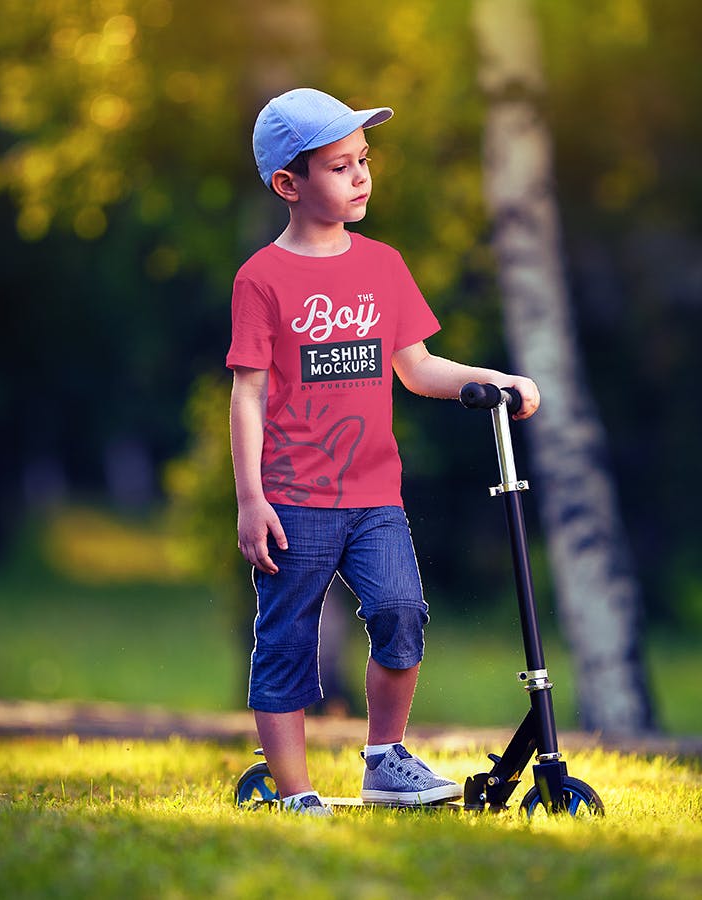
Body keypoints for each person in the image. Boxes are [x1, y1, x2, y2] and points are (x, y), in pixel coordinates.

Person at [228, 88, 540, 816]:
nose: (361, 176)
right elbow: (247, 394)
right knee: (287, 642)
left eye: (364, 160)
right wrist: (250, 499)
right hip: (294, 499)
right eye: (340, 167)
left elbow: (418, 368)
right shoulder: (261, 279)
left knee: (402, 612)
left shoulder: (383, 266)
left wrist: (495, 380)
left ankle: (384, 759)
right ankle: (296, 793)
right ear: (289, 184)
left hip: (374, 495)